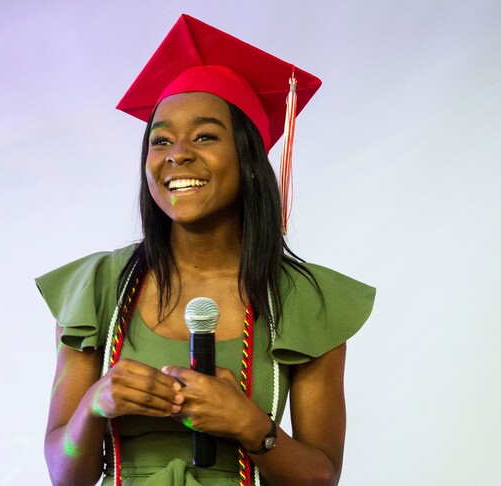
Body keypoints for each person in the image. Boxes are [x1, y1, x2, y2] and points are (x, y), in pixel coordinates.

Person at [36, 14, 375, 486]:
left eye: (205, 136)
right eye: (160, 140)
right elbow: (63, 471)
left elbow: (320, 479)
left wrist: (252, 426)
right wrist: (94, 406)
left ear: (249, 160)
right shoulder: (97, 288)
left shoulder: (304, 299)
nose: (177, 154)